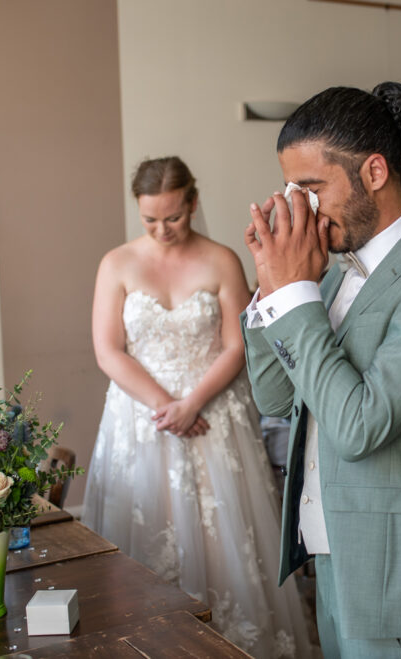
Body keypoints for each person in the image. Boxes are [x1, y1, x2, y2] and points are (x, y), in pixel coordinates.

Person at [242, 82, 401, 656]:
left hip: (395, 567)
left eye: (311, 187)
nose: (298, 205)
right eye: (289, 189)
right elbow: (275, 397)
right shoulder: (325, 270)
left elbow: (359, 427)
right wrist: (272, 288)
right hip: (331, 551)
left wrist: (296, 297)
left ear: (374, 171)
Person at [82, 156, 314, 658]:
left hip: (212, 417)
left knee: (223, 543)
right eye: (150, 219)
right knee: (144, 542)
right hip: (141, 422)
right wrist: (167, 405)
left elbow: (236, 345)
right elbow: (108, 350)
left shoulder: (222, 259)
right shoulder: (116, 263)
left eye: (174, 217)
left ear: (193, 202)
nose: (163, 229)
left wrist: (193, 403)